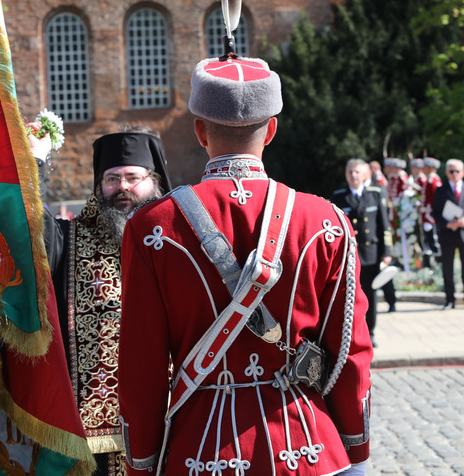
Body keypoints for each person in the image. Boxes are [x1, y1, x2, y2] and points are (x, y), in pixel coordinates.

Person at [118, 56, 372, 476]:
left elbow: (140, 365)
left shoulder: (151, 227)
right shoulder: (326, 221)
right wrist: (354, 449)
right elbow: (350, 353)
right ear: (271, 130)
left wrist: (142, 461)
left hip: (200, 453)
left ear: (199, 130)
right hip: (307, 448)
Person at [28, 125, 172, 476]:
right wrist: (34, 162)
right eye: (111, 178)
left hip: (167, 420)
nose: (122, 187)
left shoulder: (177, 243)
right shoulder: (69, 238)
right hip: (87, 438)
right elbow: (29, 223)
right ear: (99, 186)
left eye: (132, 177)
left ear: (154, 182)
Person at [332, 159, 393, 345]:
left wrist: (387, 252)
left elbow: (385, 225)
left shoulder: (375, 194)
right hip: (350, 255)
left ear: (365, 174)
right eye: (350, 172)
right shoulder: (339, 196)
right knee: (349, 296)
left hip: (371, 253)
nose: (353, 175)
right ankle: (351, 333)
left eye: (357, 172)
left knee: (370, 295)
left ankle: (371, 331)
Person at [433, 159, 464, 310]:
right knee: (447, 269)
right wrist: (447, 224)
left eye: (457, 171)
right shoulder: (441, 190)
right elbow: (436, 214)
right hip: (448, 234)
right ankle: (449, 299)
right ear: (447, 173)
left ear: (463, 172)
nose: (454, 174)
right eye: (451, 171)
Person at [419, 156, 443, 268]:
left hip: (431, 217)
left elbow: (437, 201)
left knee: (434, 241)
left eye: (425, 167)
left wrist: (431, 215)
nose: (423, 168)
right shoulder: (428, 179)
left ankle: (439, 263)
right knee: (428, 240)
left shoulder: (434, 181)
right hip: (426, 215)